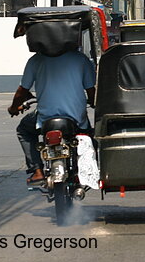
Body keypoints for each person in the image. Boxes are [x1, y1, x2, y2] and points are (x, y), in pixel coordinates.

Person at [8, 48, 96, 185]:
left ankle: (37, 171)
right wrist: (91, 100)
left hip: (45, 119)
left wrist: (13, 108)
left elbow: (22, 91)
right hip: (77, 119)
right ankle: (90, 169)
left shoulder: (35, 60)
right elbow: (91, 90)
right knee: (89, 136)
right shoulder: (81, 59)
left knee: (23, 130)